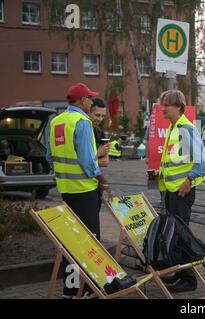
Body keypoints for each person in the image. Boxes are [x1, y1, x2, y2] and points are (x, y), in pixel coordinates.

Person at [47, 83, 113, 299]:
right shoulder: (82, 122)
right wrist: (102, 177)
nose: (92, 101)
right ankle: (86, 290)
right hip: (85, 191)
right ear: (82, 100)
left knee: (71, 241)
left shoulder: (56, 121)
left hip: (66, 190)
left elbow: (50, 157)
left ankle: (70, 289)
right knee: (90, 242)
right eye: (90, 98)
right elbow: (88, 162)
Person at [152, 89, 205, 293]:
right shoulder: (175, 127)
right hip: (172, 191)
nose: (163, 109)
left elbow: (201, 161)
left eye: (166, 105)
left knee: (181, 235)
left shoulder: (185, 128)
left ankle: (189, 279)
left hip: (181, 192)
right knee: (175, 234)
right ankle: (179, 272)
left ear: (178, 106)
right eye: (162, 105)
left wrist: (188, 181)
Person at [88, 97, 111, 167]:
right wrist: (98, 154)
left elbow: (105, 162)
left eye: (103, 116)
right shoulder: (81, 130)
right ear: (88, 112)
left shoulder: (100, 133)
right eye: (97, 115)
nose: (100, 119)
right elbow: (81, 161)